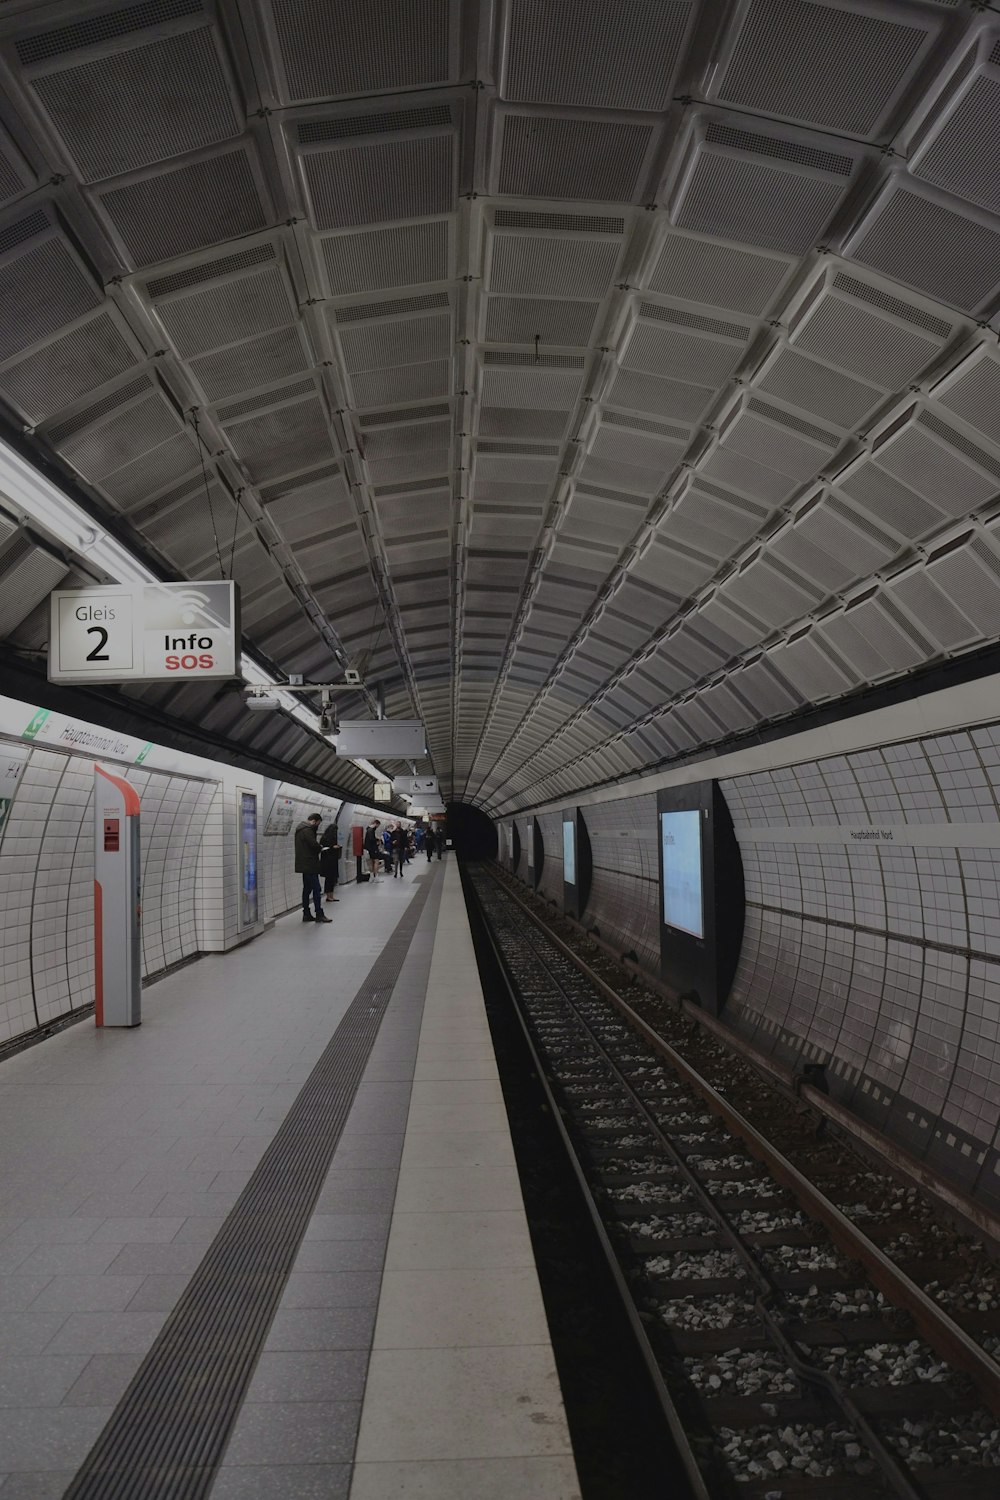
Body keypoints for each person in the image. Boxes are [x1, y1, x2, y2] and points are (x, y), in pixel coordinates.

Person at [295, 813, 330, 923]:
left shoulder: (300, 829)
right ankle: (319, 914)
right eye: (318, 824)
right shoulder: (308, 830)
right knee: (317, 888)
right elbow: (314, 845)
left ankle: (306, 914)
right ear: (314, 821)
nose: (317, 826)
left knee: (307, 889)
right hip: (310, 864)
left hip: (304, 864)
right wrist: (320, 847)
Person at [320, 822, 341, 902]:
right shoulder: (326, 838)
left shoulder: (326, 837)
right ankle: (329, 896)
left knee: (331, 879)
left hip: (331, 860)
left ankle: (331, 895)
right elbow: (324, 848)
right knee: (329, 879)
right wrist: (333, 847)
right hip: (328, 861)